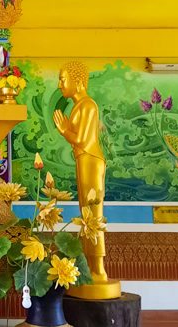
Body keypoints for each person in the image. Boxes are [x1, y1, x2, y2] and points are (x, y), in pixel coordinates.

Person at [52, 61, 109, 285]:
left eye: (63, 79)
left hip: (90, 159)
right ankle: (89, 267)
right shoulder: (79, 106)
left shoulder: (88, 105)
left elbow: (82, 140)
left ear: (77, 81)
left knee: (93, 216)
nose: (59, 85)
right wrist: (67, 130)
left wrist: (65, 130)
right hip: (84, 159)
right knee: (86, 214)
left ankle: (99, 269)